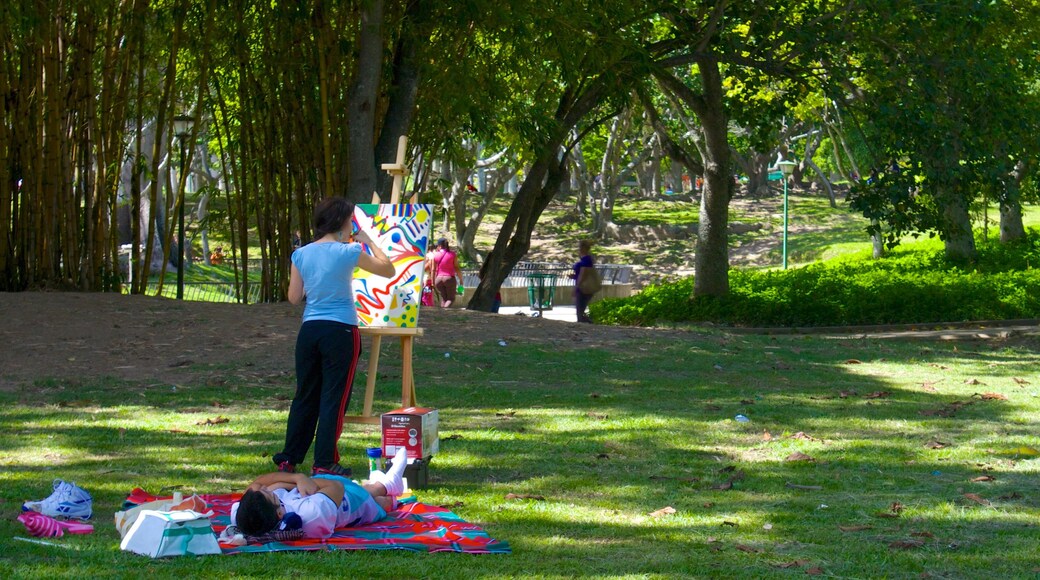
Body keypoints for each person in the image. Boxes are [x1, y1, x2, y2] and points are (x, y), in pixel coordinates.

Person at [272, 197, 395, 477]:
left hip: (309, 331)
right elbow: (388, 269)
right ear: (342, 223)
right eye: (351, 221)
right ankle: (324, 460)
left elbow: (293, 298)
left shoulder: (300, 255)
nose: (352, 226)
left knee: (305, 394)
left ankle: (289, 457)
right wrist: (368, 240)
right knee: (333, 397)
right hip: (341, 330)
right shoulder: (349, 251)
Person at [233, 448, 409, 539]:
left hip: (317, 490)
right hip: (346, 505)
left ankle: (381, 481)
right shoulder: (310, 516)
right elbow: (337, 487)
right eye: (271, 495)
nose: (266, 489)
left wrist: (298, 478)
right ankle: (388, 484)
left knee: (365, 490)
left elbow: (260, 483)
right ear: (279, 513)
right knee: (380, 502)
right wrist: (299, 482)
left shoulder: (245, 513)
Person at [426, 238, 463, 308]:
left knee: (444, 299)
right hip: (449, 278)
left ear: (439, 246)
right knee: (451, 299)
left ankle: (442, 314)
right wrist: (461, 279)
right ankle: (444, 311)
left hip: (438, 279)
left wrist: (433, 283)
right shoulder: (452, 254)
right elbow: (456, 268)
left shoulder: (435, 255)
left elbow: (433, 269)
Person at [569, 240, 595, 324]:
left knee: (580, 311)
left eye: (579, 247)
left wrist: (576, 287)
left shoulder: (586, 260)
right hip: (582, 286)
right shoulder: (585, 259)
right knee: (580, 310)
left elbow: (583, 275)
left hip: (583, 288)